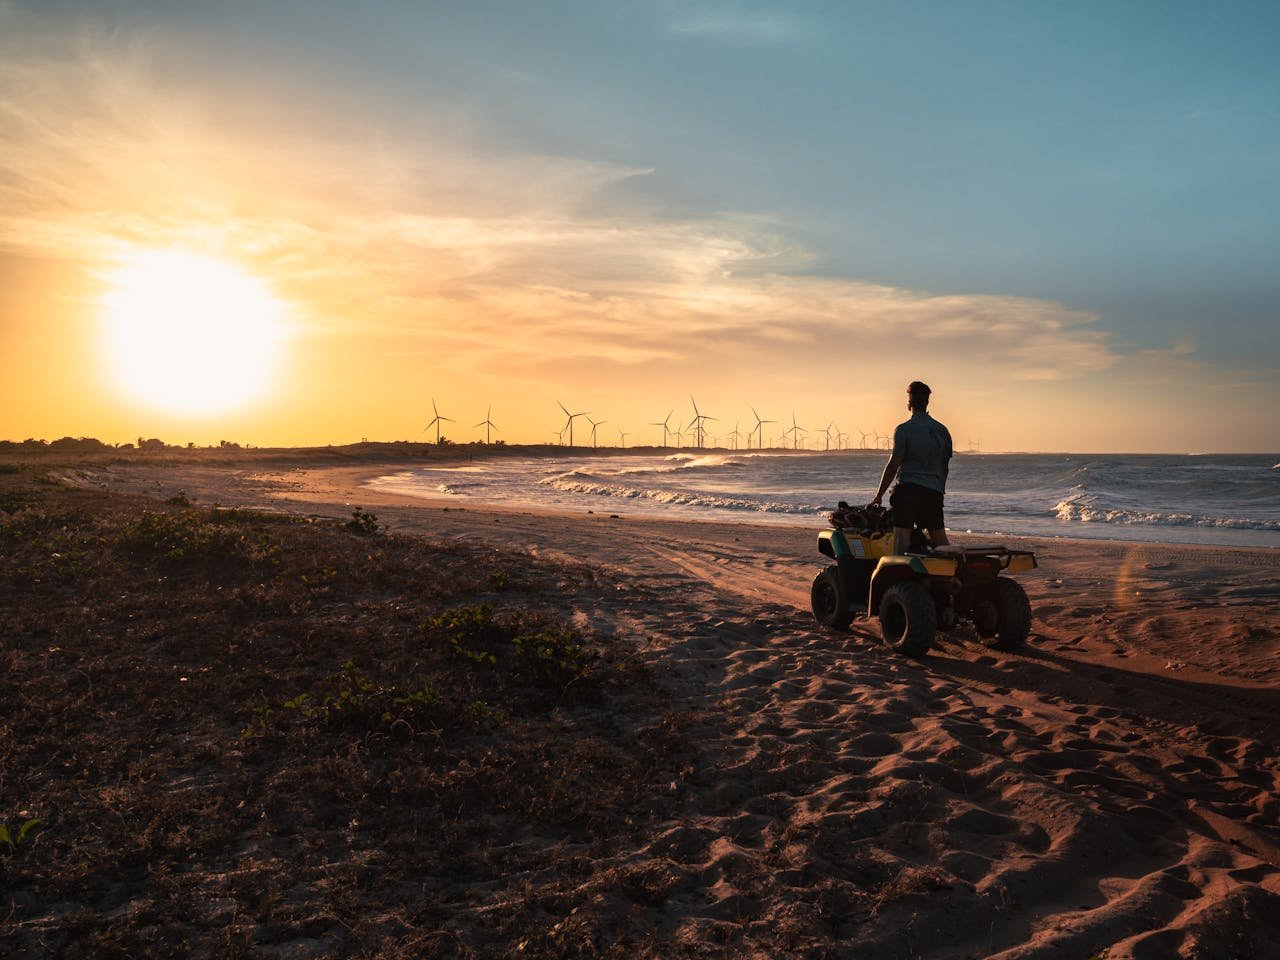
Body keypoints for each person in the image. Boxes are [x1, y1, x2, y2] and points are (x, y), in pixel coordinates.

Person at [871, 381, 953, 554]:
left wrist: (878, 496)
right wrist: (939, 490)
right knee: (940, 541)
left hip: (908, 492)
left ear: (909, 403)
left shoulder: (904, 429)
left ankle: (897, 577)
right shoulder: (942, 430)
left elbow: (894, 465)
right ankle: (953, 573)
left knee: (901, 540)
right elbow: (944, 466)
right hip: (934, 492)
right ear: (928, 402)